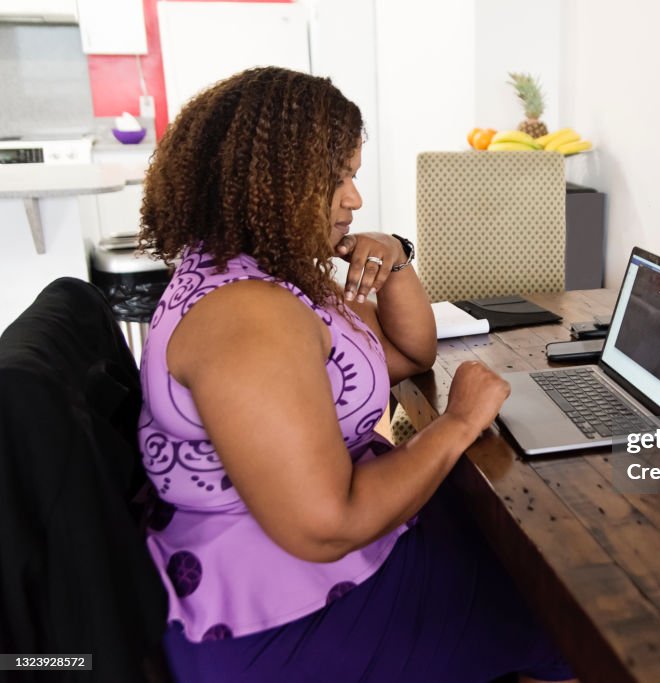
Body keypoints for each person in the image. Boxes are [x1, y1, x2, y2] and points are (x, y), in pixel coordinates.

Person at [137, 66, 575, 683]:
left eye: (353, 175)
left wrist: (393, 259)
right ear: (268, 180)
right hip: (280, 617)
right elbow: (326, 527)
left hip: (303, 569)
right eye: (336, 177)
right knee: (570, 614)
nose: (354, 197)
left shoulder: (262, 272)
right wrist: (455, 423)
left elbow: (408, 352)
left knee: (527, 548)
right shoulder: (248, 319)